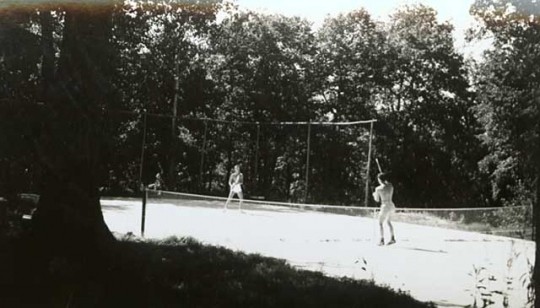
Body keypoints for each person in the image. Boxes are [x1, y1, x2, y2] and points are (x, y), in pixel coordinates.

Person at [372, 172, 396, 246]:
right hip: (392, 205)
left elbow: (377, 200)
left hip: (385, 205)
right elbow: (388, 184)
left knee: (380, 223)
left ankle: (382, 240)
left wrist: (374, 195)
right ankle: (392, 238)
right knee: (389, 222)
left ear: (379, 179)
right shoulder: (390, 186)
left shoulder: (378, 189)